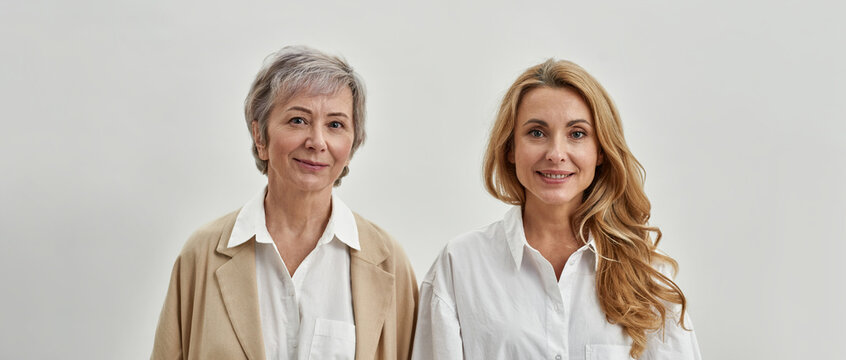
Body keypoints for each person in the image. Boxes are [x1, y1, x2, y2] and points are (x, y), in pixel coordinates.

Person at [412, 59, 701, 359]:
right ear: (510, 148)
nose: (556, 154)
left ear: (600, 151)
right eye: (537, 132)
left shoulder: (646, 275)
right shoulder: (459, 266)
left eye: (577, 134)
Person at [152, 45, 418, 360]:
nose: (317, 142)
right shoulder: (202, 255)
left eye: (335, 125)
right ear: (260, 137)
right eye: (297, 120)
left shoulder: (388, 262)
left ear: (353, 142)